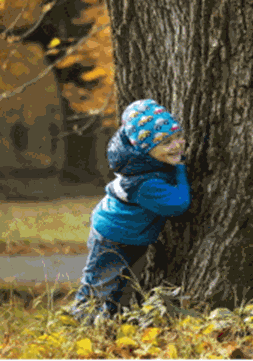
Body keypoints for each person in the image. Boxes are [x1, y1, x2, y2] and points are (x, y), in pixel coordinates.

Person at [72, 99, 190, 325]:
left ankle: (110, 325)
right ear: (145, 149)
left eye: (178, 136)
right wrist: (181, 170)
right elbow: (178, 204)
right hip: (112, 236)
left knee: (122, 287)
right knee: (98, 285)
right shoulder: (145, 182)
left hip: (128, 234)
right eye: (166, 142)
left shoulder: (145, 164)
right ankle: (78, 324)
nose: (177, 145)